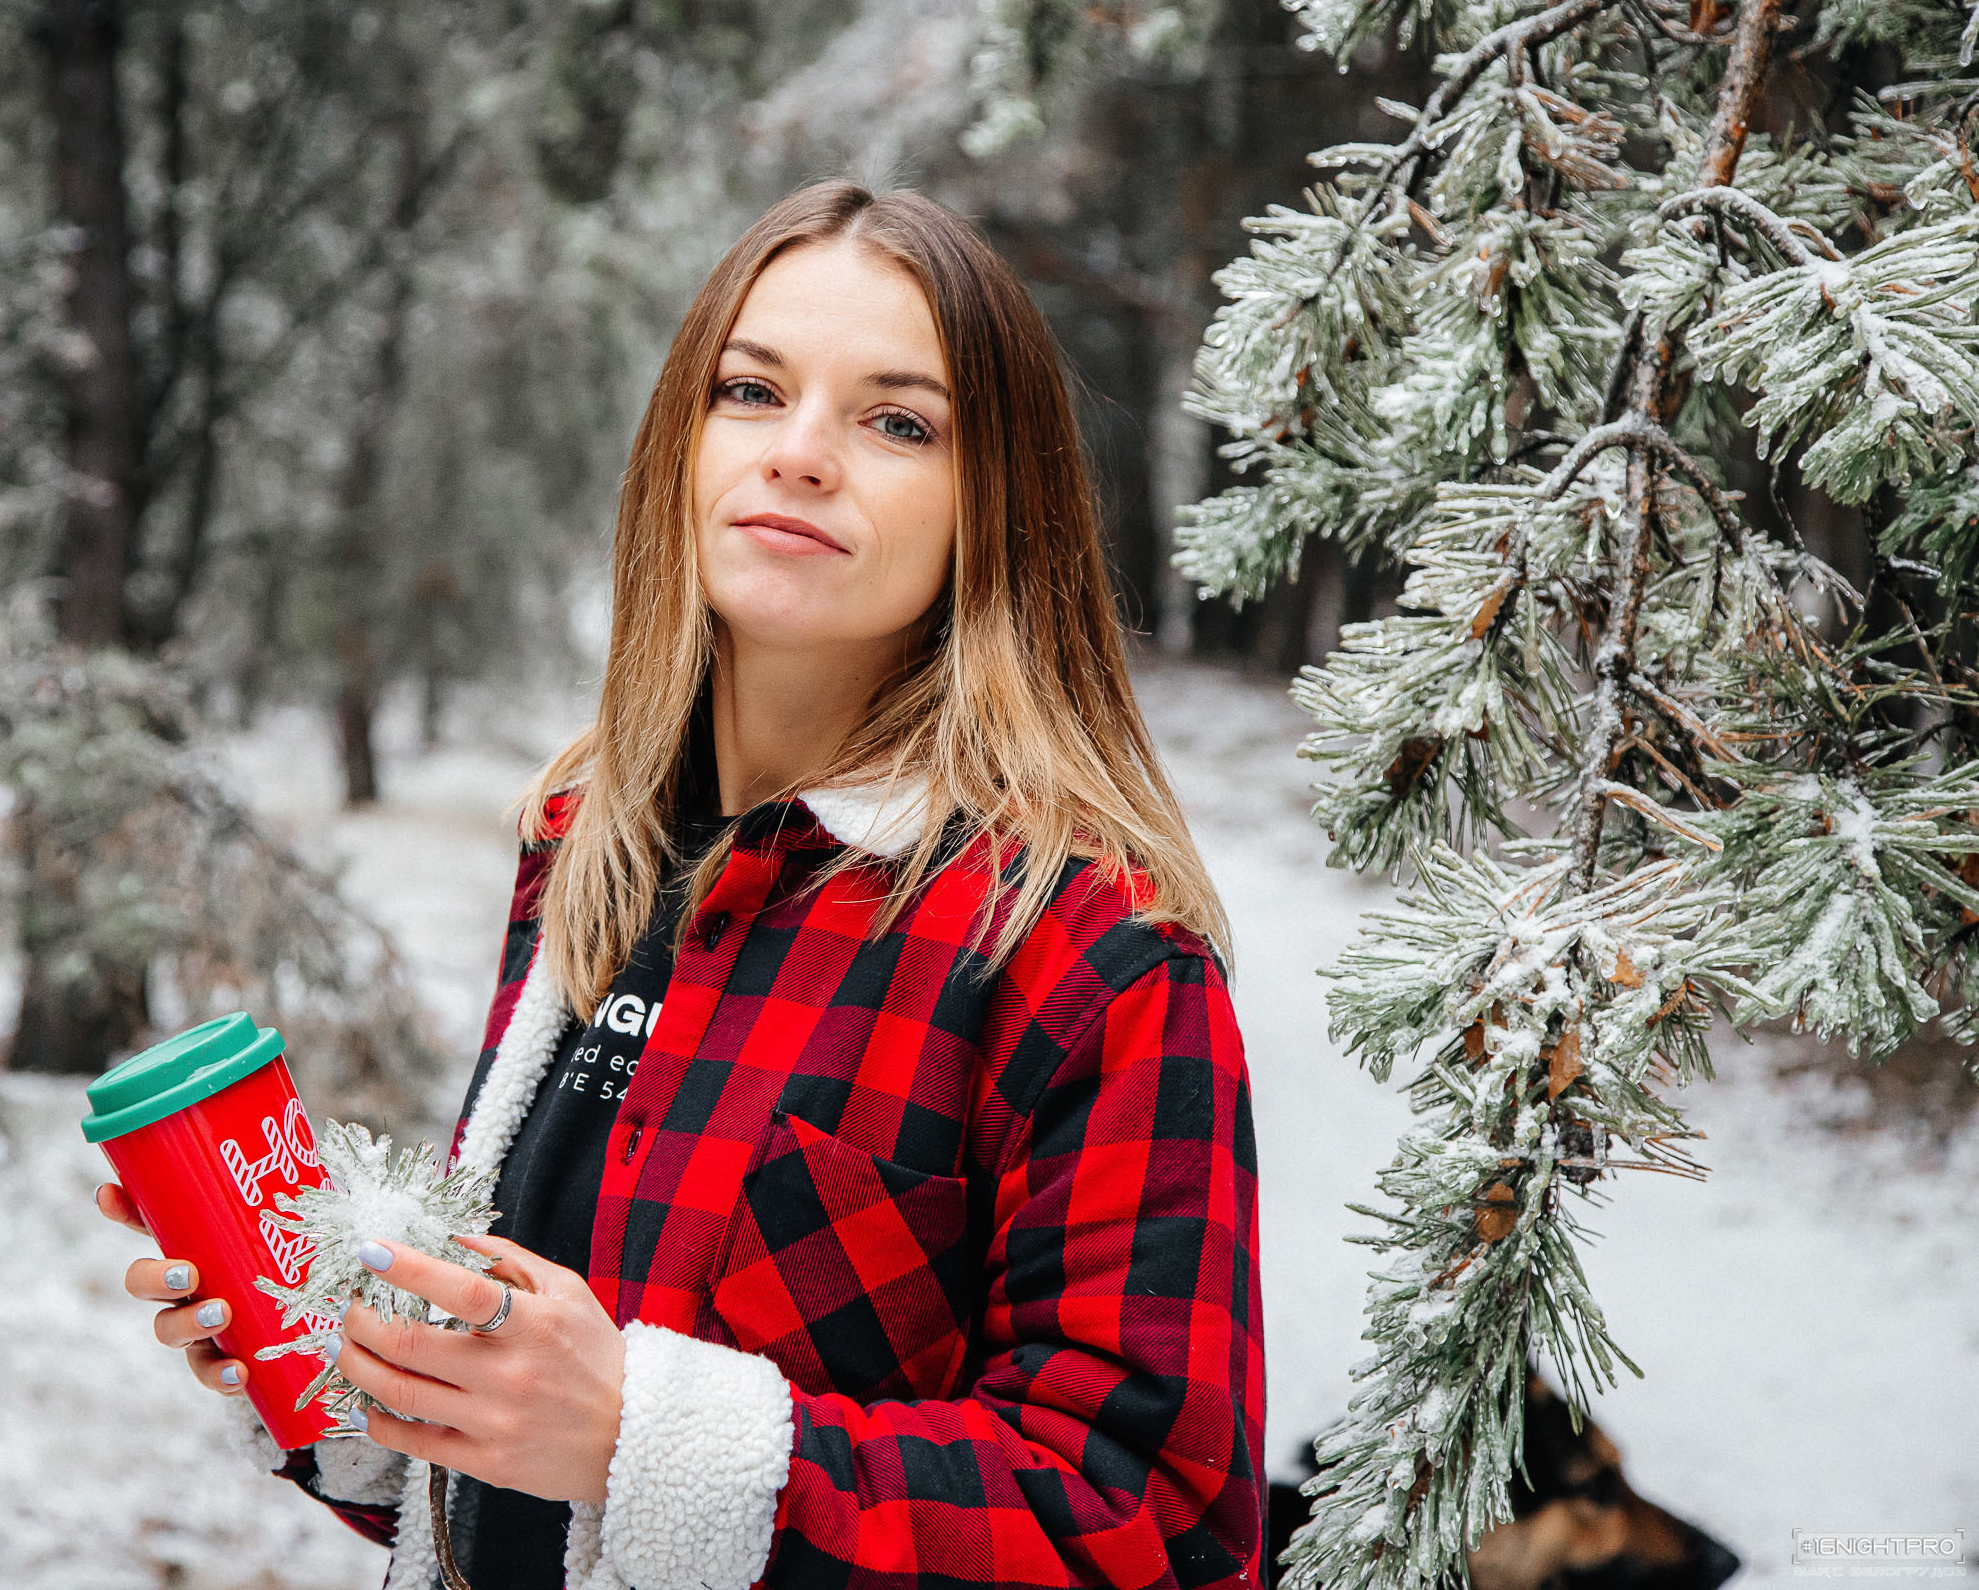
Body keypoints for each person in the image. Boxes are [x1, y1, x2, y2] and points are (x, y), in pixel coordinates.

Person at [96, 178, 1264, 1590]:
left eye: (898, 421)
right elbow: (514, 1488)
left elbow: (1158, 1534)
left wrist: (636, 1437)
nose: (805, 455)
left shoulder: (1086, 951)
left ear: (994, 510)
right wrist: (339, 1370)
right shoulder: (591, 845)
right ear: (682, 447)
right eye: (752, 391)